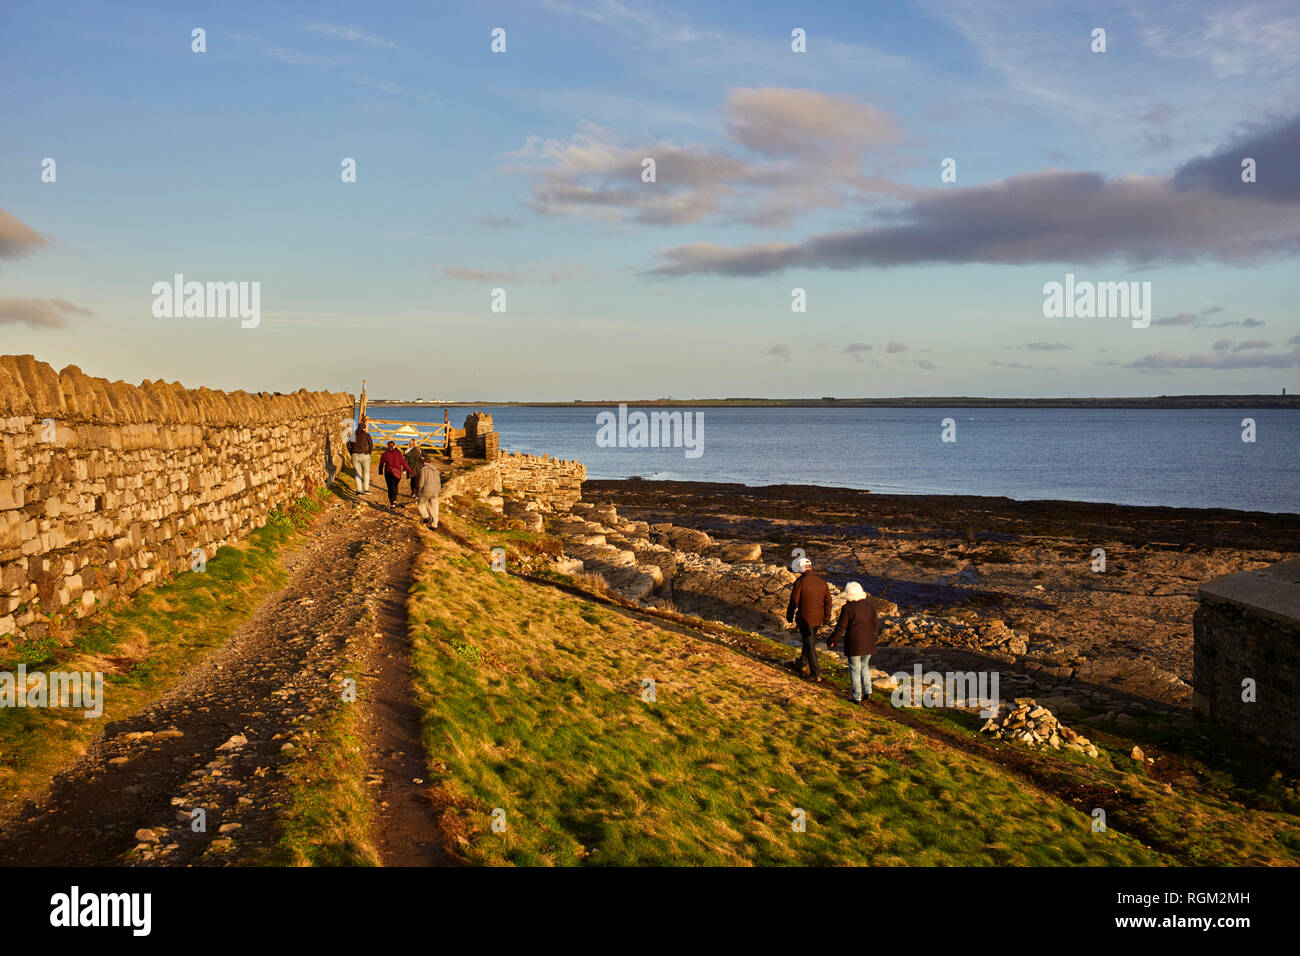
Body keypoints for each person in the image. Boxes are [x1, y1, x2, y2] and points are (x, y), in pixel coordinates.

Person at [828, 581, 878, 703]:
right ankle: (868, 692)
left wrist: (832, 639)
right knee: (865, 666)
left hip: (855, 644)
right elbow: (875, 623)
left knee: (855, 669)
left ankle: (857, 697)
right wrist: (875, 637)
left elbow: (841, 628)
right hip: (869, 641)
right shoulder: (870, 605)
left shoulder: (848, 608)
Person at [786, 557, 832, 682]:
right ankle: (803, 662)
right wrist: (827, 618)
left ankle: (815, 673)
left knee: (810, 644)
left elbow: (794, 601)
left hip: (805, 619)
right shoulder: (822, 582)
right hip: (818, 619)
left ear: (801, 569)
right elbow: (828, 602)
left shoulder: (800, 582)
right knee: (808, 641)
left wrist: (789, 616)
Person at [378, 440, 411, 507]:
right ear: (394, 445)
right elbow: (404, 463)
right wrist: (410, 471)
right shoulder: (398, 453)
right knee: (395, 486)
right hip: (397, 473)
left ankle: (392, 502)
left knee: (390, 487)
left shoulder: (384, 454)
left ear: (388, 446)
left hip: (388, 472)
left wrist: (380, 471)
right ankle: (394, 499)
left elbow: (381, 463)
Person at [348, 417, 374, 494]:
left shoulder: (352, 435)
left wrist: (351, 453)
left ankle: (358, 490)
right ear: (364, 428)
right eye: (365, 428)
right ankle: (366, 490)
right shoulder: (367, 435)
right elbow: (371, 445)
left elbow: (348, 445)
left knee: (357, 473)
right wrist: (369, 452)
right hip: (365, 455)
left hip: (355, 455)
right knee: (366, 473)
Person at [416, 456, 442, 528]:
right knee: (435, 508)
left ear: (424, 463)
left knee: (420, 504)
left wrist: (418, 491)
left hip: (426, 490)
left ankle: (427, 517)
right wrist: (439, 491)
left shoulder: (424, 469)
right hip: (435, 491)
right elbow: (439, 481)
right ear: (430, 462)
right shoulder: (436, 470)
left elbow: (421, 482)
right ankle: (434, 525)